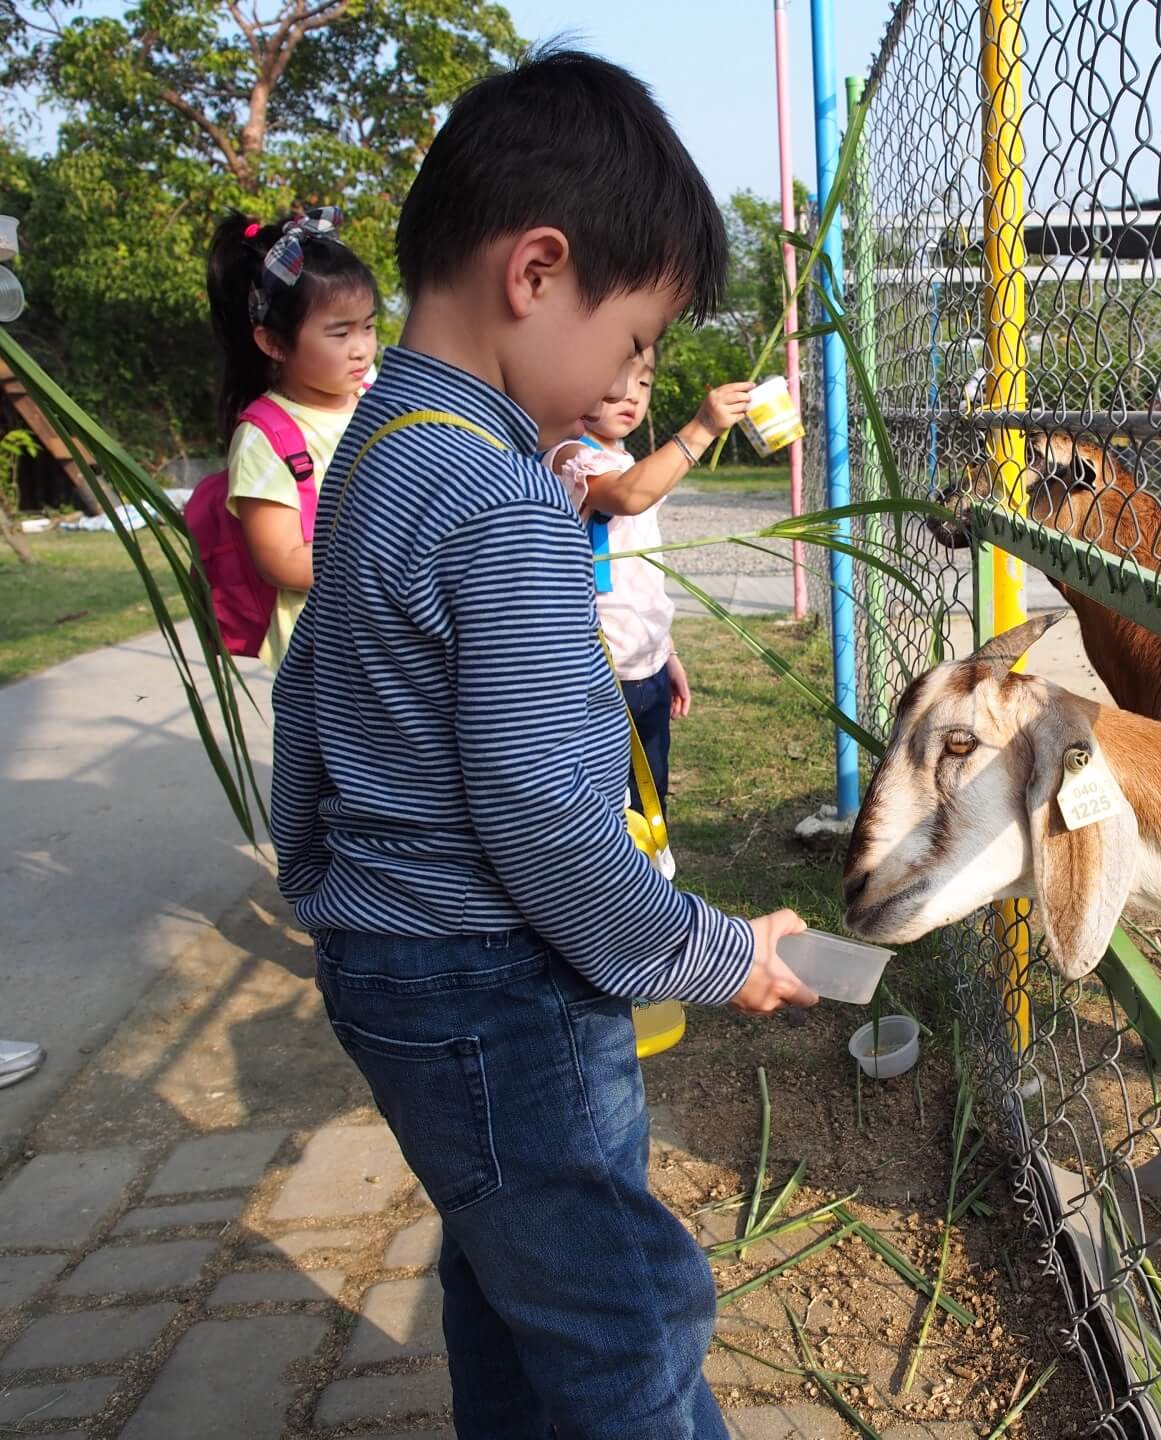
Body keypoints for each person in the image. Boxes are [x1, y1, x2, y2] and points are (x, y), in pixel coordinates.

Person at [268, 49, 816, 1440]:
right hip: (497, 991)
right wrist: (716, 951)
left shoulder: (379, 449)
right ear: (537, 271)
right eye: (633, 341)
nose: (631, 379)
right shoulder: (504, 498)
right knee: (625, 1318)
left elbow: (308, 693)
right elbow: (547, 820)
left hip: (392, 966)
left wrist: (323, 877)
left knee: (512, 1272)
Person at [547, 349, 751, 815]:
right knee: (604, 807)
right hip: (599, 673)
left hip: (647, 664)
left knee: (650, 798)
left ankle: (652, 860)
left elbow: (641, 576)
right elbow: (627, 495)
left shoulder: (626, 459)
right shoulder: (568, 457)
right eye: (617, 379)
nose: (631, 396)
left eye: (644, 383)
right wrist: (702, 428)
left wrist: (667, 653)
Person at [206, 208, 378, 669]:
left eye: (368, 326)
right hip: (324, 658)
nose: (362, 348)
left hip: (384, 634)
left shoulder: (371, 393)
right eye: (340, 333)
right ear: (274, 343)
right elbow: (280, 560)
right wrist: (382, 560)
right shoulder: (264, 438)